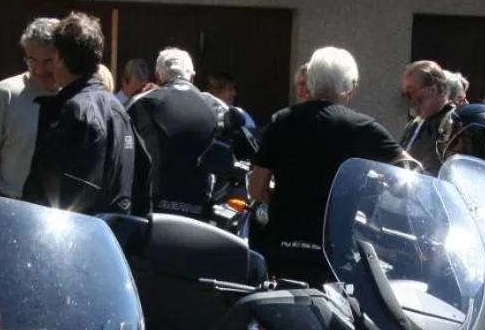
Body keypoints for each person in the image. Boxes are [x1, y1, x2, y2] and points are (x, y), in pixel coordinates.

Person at [250, 46, 403, 284]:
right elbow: (408, 166)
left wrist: (280, 201)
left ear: (311, 82)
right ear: (349, 86)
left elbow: (256, 187)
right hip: (333, 244)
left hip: (284, 240)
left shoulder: (282, 120)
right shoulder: (361, 126)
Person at [23, 11, 136, 214]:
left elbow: (52, 190)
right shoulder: (119, 110)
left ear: (59, 56)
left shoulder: (74, 111)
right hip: (110, 236)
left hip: (72, 237)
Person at [127, 47, 221, 220]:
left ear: (157, 77)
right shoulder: (216, 106)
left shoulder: (141, 103)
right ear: (192, 77)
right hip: (202, 212)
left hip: (153, 210)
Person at [0, 18, 63, 197]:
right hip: (11, 206)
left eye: (47, 61)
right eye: (32, 60)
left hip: (60, 214)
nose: (39, 70)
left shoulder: (77, 96)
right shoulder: (5, 94)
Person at [399, 59, 453, 174]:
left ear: (433, 90)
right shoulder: (413, 125)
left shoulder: (453, 124)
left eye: (411, 91)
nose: (407, 99)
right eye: (404, 94)